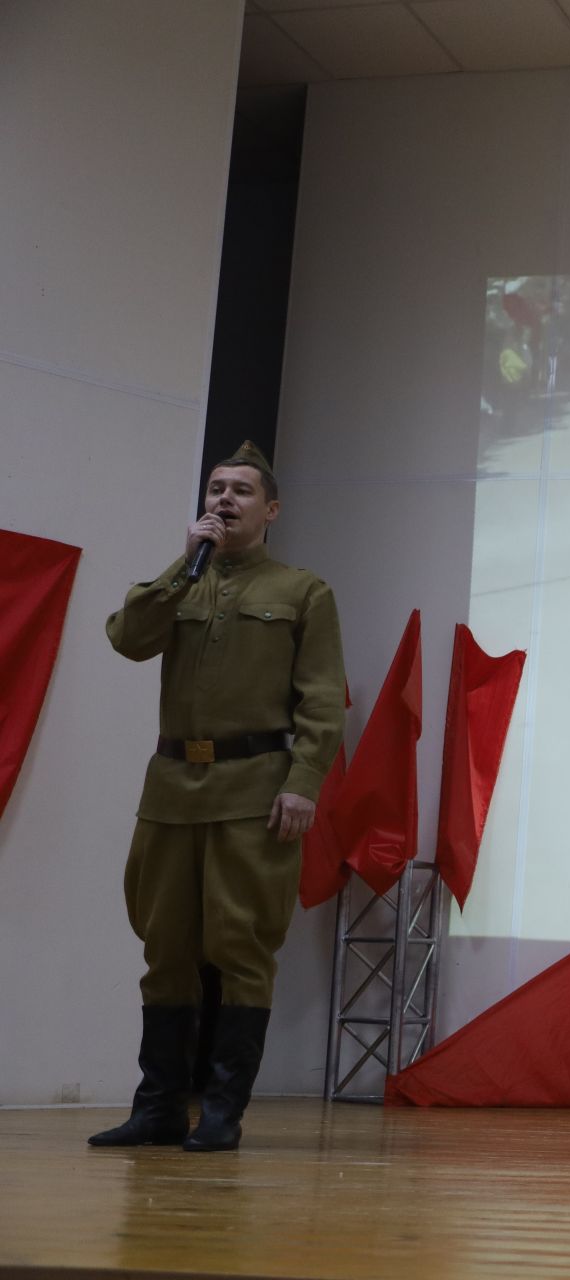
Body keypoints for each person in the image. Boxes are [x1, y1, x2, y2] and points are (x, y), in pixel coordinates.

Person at [90, 442, 345, 1153]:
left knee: (242, 948)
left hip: (253, 792)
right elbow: (126, 639)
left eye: (239, 491)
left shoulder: (302, 592)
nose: (223, 500)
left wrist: (303, 784)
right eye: (214, 489)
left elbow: (322, 701)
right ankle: (159, 1108)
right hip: (172, 790)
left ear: (271, 510)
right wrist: (183, 561)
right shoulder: (182, 584)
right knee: (164, 946)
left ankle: (224, 1113)